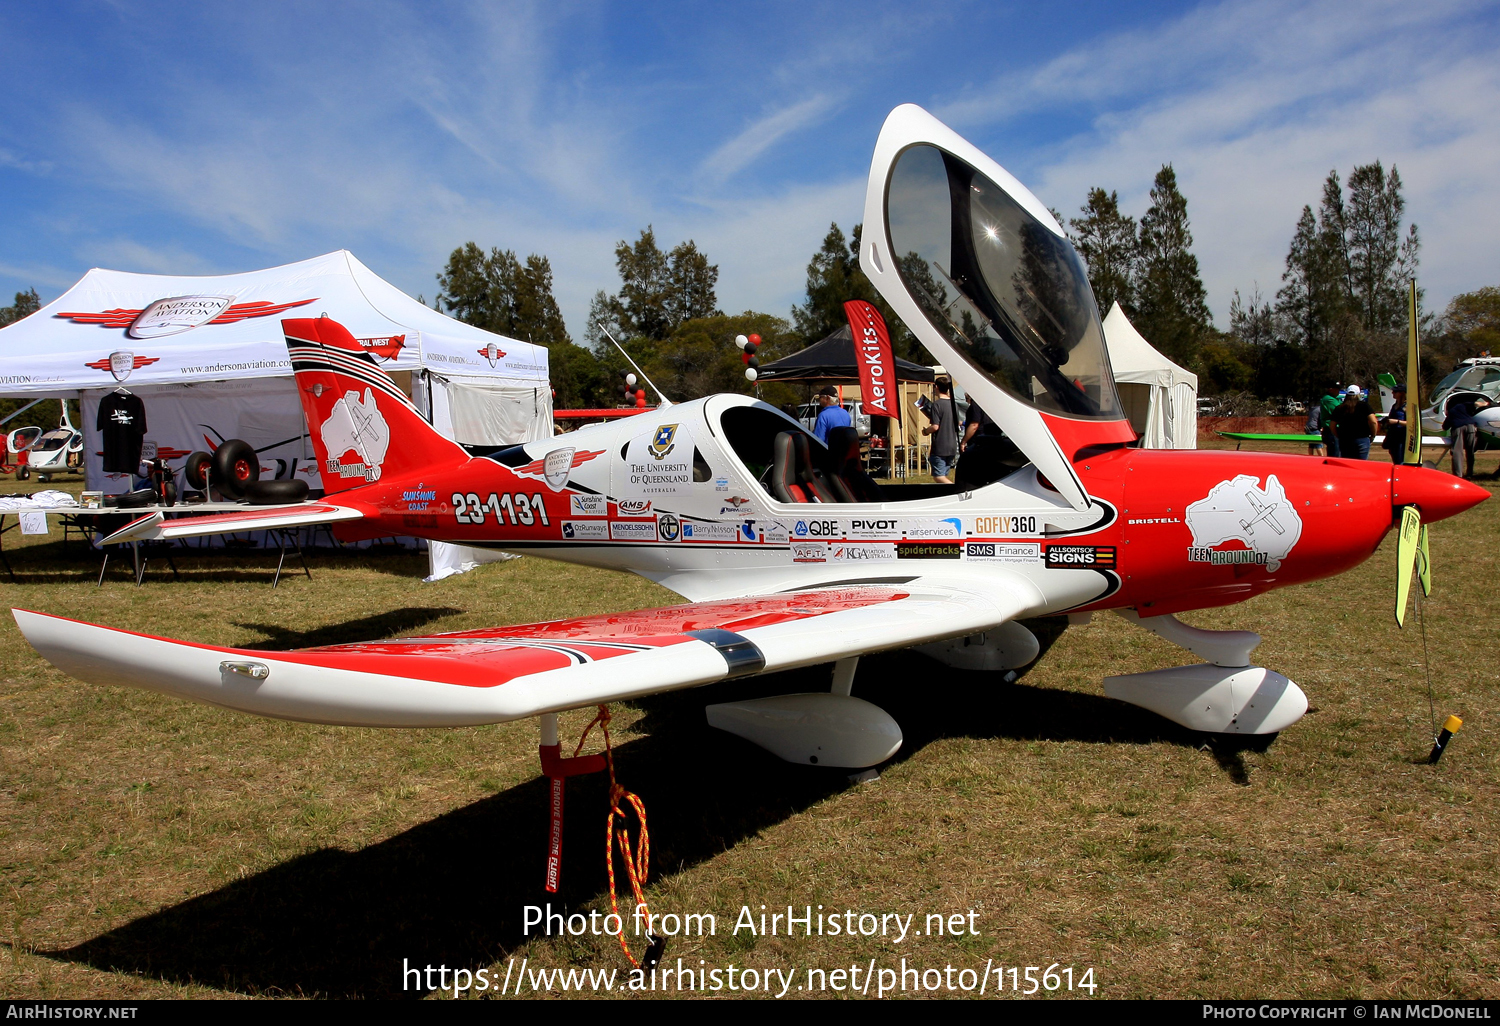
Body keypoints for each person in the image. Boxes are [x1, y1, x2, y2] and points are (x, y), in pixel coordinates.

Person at [921, 378, 959, 484]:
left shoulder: (936, 405)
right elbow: (958, 422)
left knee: (939, 476)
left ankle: (956, 490)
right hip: (952, 444)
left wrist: (926, 431)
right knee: (944, 475)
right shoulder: (954, 404)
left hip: (940, 445)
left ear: (936, 387)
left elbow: (935, 426)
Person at [1330, 385, 1377, 460]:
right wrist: (1373, 435)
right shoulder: (1364, 406)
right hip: (1362, 439)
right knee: (1361, 465)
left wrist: (1338, 435)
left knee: (1347, 464)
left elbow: (1332, 425)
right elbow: (1373, 422)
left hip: (1345, 440)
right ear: (1358, 394)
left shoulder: (1339, 408)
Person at [1443, 394, 1481, 479]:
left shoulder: (1451, 411)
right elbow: (1476, 404)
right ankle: (1470, 473)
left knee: (1457, 451)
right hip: (1471, 426)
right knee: (1470, 451)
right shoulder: (1464, 405)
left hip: (1458, 428)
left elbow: (1445, 427)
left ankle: (1458, 474)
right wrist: (1488, 404)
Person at [1380, 384, 1409, 464]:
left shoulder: (1407, 407)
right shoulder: (1394, 406)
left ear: (1402, 393)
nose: (1393, 393)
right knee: (1395, 459)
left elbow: (1411, 423)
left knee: (1400, 460)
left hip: (1402, 438)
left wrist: (1397, 421)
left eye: (1395, 392)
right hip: (1393, 436)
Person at [1317, 385, 1342, 458]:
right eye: (1336, 389)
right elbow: (1339, 411)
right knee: (1335, 455)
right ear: (1330, 389)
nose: (1338, 391)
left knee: (1338, 453)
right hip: (1331, 430)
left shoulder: (1336, 399)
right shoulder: (1328, 399)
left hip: (1335, 429)